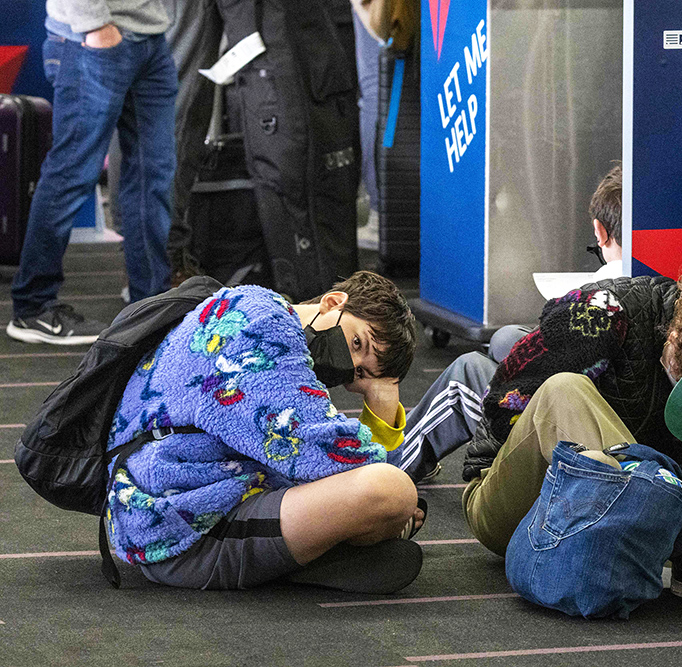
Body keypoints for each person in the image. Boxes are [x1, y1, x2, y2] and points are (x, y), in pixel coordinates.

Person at [462, 259, 682, 613]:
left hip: (604, 517)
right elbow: (502, 407)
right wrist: (592, 458)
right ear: (674, 340)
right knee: (564, 389)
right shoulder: (600, 313)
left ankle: (679, 528)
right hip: (512, 497)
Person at [105, 270, 426, 591]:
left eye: (360, 374)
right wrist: (383, 401)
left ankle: (314, 554)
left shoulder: (259, 313)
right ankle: (324, 553)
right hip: (180, 532)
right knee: (391, 492)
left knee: (383, 498)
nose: (349, 363)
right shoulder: (266, 327)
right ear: (332, 302)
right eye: (357, 343)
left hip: (169, 512)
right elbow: (346, 464)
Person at [389, 164, 626, 481]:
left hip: (580, 446)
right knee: (506, 338)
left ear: (599, 231)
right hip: (632, 426)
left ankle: (390, 468)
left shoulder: (591, 301)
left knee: (468, 370)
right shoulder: (672, 283)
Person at [7, 0, 178, 345]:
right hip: (92, 37)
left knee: (154, 176)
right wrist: (94, 24)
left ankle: (151, 303)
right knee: (71, 174)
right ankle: (32, 307)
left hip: (150, 35)